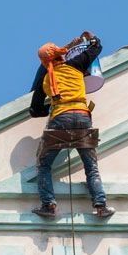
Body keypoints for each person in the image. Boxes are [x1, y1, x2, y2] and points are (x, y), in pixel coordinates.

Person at [29, 31, 115, 219]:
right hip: (83, 117)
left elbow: (35, 110)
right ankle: (101, 206)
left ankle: (49, 206)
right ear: (63, 54)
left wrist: (53, 105)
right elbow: (96, 46)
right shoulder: (76, 65)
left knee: (43, 165)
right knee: (91, 167)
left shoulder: (45, 78)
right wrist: (88, 37)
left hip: (60, 119)